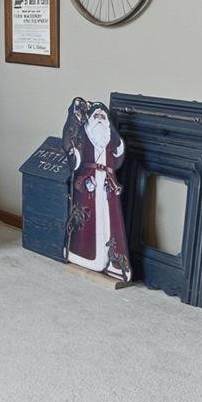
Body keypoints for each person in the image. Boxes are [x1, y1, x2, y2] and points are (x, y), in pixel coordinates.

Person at [62, 97, 130, 280]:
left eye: (103, 116)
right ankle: (84, 256)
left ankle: (113, 263)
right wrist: (74, 116)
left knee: (110, 221)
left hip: (107, 185)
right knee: (88, 219)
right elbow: (72, 149)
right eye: (96, 115)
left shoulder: (111, 140)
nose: (100, 118)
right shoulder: (84, 137)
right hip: (88, 185)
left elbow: (117, 158)